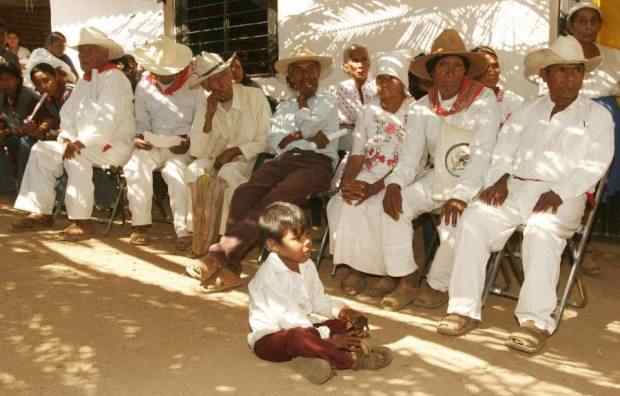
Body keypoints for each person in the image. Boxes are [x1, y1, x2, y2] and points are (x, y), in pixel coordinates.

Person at [438, 35, 614, 354]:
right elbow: (504, 148)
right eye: (560, 71)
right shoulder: (528, 109)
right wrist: (499, 179)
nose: (569, 78)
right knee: (475, 219)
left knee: (541, 230)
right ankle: (462, 309)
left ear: (582, 75)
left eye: (575, 71)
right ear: (545, 75)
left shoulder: (598, 115)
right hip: (516, 187)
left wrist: (559, 191)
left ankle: (535, 322)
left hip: (564, 194)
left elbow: (596, 163)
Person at [195, 48, 340, 293]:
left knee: (273, 201)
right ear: (290, 78)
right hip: (283, 161)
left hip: (317, 164)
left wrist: (300, 123)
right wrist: (299, 136)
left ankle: (220, 255)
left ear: (318, 74)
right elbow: (274, 140)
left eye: (311, 70)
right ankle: (232, 268)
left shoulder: (327, 101)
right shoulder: (284, 106)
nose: (306, 76)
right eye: (299, 71)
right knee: (244, 192)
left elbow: (313, 133)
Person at [380, 29, 499, 311]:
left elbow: (483, 157)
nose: (450, 72)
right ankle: (407, 280)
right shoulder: (422, 108)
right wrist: (395, 184)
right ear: (431, 73)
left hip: (476, 181)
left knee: (457, 217)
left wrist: (461, 194)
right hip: (438, 177)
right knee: (394, 204)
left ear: (466, 71)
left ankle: (436, 285)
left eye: (457, 65)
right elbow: (411, 158)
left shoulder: (484, 101)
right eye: (443, 65)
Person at [248, 201, 392, 384]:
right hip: (273, 339)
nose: (307, 242)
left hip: (307, 326)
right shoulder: (268, 278)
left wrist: (344, 311)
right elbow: (291, 321)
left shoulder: (306, 265)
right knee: (300, 338)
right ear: (273, 245)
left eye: (307, 234)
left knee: (342, 324)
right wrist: (328, 338)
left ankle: (309, 360)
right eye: (297, 239)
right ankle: (351, 360)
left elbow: (317, 300)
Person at [11, 27, 135, 240]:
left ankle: (82, 221)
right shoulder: (86, 80)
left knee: (76, 155)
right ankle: (40, 212)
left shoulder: (115, 78)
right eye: (80, 52)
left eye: (88, 51)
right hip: (84, 143)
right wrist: (67, 136)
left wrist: (79, 142)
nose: (82, 56)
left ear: (104, 54)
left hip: (114, 145)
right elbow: (68, 113)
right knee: (42, 149)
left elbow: (108, 119)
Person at [327, 52, 417, 298]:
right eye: (380, 80)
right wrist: (348, 183)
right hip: (369, 171)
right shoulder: (369, 111)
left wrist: (374, 187)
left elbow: (414, 160)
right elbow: (357, 153)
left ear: (403, 83)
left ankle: (387, 273)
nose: (384, 85)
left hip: (402, 176)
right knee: (343, 204)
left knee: (378, 206)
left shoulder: (416, 112)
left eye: (391, 79)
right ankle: (358, 267)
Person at [184, 51, 270, 259]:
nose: (218, 85)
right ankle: (199, 234)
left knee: (228, 173)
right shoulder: (207, 104)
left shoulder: (254, 96)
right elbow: (197, 151)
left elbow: (267, 140)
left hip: (248, 160)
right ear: (204, 87)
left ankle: (223, 239)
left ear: (230, 74)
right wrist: (208, 117)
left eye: (221, 77)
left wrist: (236, 150)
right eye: (210, 82)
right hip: (216, 159)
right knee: (193, 171)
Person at [124, 36, 201, 250]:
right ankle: (140, 225)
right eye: (159, 72)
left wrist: (190, 142)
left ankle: (182, 230)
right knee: (135, 166)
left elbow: (201, 121)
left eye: (170, 73)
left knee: (176, 175)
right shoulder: (144, 85)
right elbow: (140, 120)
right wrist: (139, 137)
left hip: (181, 146)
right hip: (153, 143)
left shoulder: (195, 86)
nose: (164, 77)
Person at [563, 1, 620, 98]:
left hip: (608, 111)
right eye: (582, 21)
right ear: (571, 27)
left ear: (599, 26)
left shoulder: (615, 56)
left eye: (593, 21)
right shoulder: (558, 57)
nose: (589, 27)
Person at [0, 57, 40, 188]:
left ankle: (24, 187)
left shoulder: (28, 96)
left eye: (8, 79)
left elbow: (30, 127)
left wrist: (7, 132)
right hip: (13, 136)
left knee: (23, 144)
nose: (4, 84)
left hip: (34, 137)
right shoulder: (2, 96)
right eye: (1, 80)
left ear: (17, 80)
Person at [335, 44, 378, 151]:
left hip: (379, 135)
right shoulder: (342, 88)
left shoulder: (380, 84)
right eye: (355, 60)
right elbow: (344, 124)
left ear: (369, 62)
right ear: (345, 66)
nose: (361, 64)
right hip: (352, 138)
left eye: (364, 59)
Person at [472, 46, 524, 125]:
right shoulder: (461, 102)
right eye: (485, 66)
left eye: (495, 66)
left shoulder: (514, 102)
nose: (491, 71)